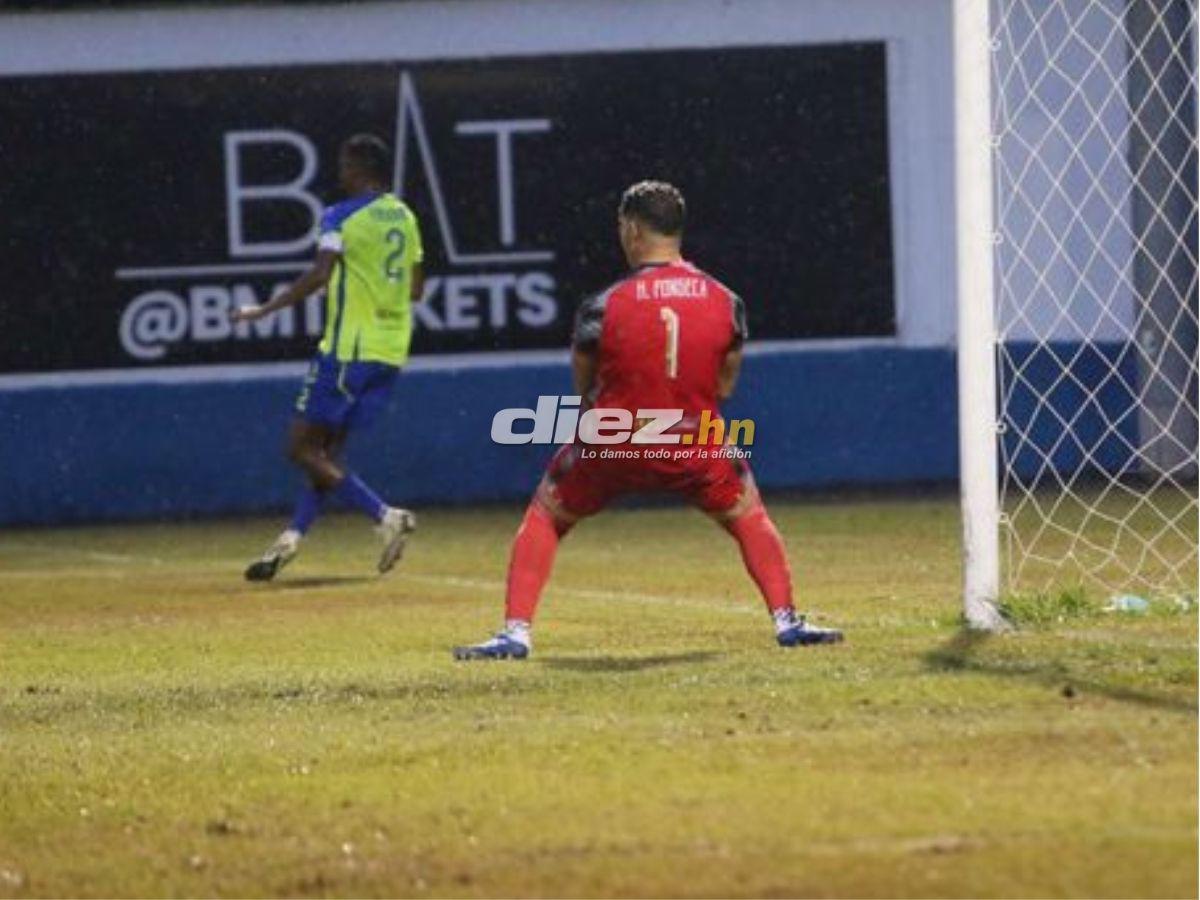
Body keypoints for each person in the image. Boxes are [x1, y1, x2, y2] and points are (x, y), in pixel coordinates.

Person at [454, 180, 842, 659]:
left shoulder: (603, 305)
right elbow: (725, 386)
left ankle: (515, 632)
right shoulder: (726, 301)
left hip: (616, 439)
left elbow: (584, 384)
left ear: (634, 230)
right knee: (748, 514)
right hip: (692, 441)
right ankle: (787, 621)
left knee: (547, 515)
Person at [232, 134, 423, 581]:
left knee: (299, 447)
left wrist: (263, 309)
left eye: (344, 164)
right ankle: (291, 538)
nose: (340, 173)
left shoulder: (340, 215)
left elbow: (320, 273)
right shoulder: (405, 216)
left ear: (358, 169)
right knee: (327, 454)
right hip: (391, 350)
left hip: (347, 349)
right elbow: (416, 288)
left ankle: (385, 516)